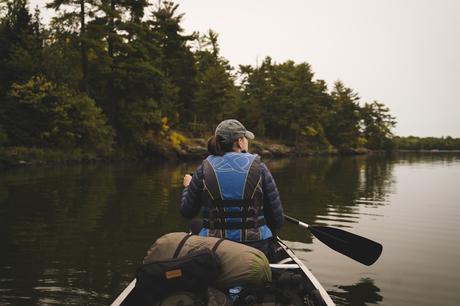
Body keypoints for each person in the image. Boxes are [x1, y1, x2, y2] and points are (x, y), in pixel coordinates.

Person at [180, 119, 284, 259]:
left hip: (213, 247)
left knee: (195, 224)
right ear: (240, 142)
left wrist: (187, 187)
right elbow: (277, 220)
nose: (247, 141)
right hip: (256, 248)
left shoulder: (203, 169)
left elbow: (187, 211)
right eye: (246, 138)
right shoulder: (260, 168)